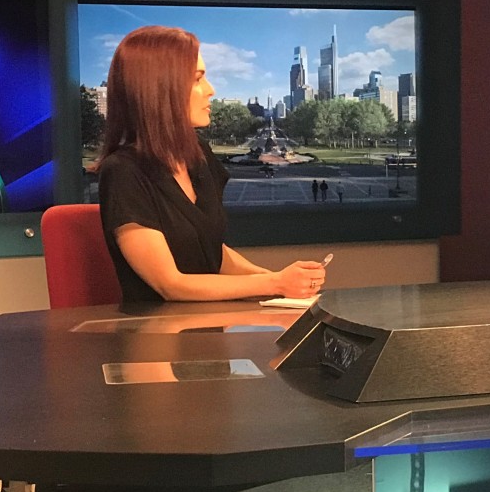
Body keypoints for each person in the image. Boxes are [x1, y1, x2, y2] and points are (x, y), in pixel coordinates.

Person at [95, 26, 325, 302]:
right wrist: (275, 283)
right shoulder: (123, 171)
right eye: (197, 79)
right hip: (159, 338)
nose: (211, 90)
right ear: (160, 89)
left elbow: (212, 253)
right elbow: (170, 284)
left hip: (213, 325)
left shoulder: (198, 155)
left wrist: (285, 287)